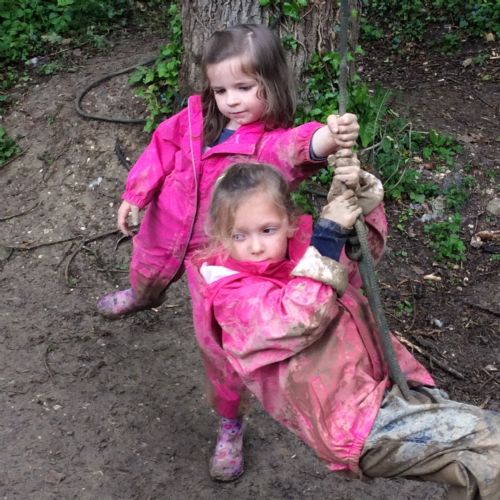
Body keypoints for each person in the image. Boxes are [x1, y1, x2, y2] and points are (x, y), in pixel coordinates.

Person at [186, 162, 500, 498]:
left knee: (479, 467)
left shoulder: (302, 252)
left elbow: (358, 260)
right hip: (353, 423)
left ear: (289, 224)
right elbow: (299, 317)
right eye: (239, 235)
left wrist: (359, 207)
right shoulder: (233, 299)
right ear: (220, 236)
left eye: (267, 230)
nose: (256, 246)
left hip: (388, 387)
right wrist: (326, 238)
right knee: (491, 442)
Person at [96, 23, 359, 319]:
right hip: (164, 222)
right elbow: (161, 148)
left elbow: (298, 146)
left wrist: (331, 136)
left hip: (214, 241)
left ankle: (216, 329)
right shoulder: (194, 119)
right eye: (221, 90)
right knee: (146, 265)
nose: (231, 100)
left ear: (271, 84)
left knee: (211, 290)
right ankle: (143, 295)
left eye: (243, 88)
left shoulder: (266, 145)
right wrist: (135, 193)